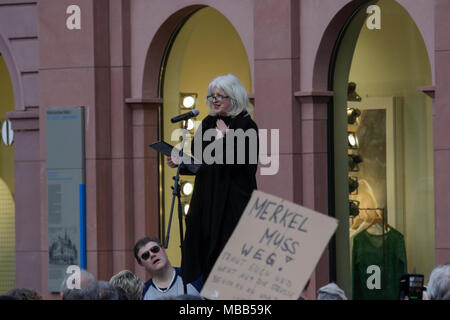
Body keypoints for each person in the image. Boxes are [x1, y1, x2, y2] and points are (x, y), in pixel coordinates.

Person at [167, 73, 259, 285]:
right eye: (212, 96)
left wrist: (228, 138)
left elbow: (245, 166)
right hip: (205, 201)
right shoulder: (208, 123)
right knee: (200, 249)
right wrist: (182, 163)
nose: (214, 100)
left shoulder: (246, 125)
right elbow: (203, 163)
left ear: (234, 98)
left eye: (220, 96)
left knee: (227, 254)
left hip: (231, 203)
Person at [134, 237, 202, 300]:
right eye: (145, 255)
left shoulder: (193, 276)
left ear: (163, 249)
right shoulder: (142, 293)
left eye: (155, 249)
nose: (152, 255)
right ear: (140, 263)